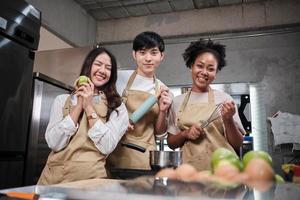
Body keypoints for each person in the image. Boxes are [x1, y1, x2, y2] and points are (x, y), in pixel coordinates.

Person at [38, 47, 129, 185]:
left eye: (108, 68)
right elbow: (54, 143)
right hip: (53, 181)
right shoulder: (62, 100)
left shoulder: (116, 107)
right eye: (98, 64)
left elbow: (107, 146)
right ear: (88, 65)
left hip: (90, 181)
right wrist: (79, 105)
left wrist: (89, 107)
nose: (102, 71)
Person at [167, 39, 245, 171]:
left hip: (223, 171)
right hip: (190, 172)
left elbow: (237, 144)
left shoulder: (224, 100)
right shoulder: (177, 102)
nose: (204, 72)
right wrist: (185, 134)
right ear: (191, 66)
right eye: (200, 66)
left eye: (210, 69)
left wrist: (228, 119)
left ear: (215, 73)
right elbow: (171, 143)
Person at [107, 31, 173, 170]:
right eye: (142, 52)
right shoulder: (118, 78)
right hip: (113, 150)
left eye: (154, 53)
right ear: (134, 55)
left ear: (162, 56)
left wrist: (162, 111)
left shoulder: (163, 90)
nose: (148, 58)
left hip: (142, 157)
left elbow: (160, 134)